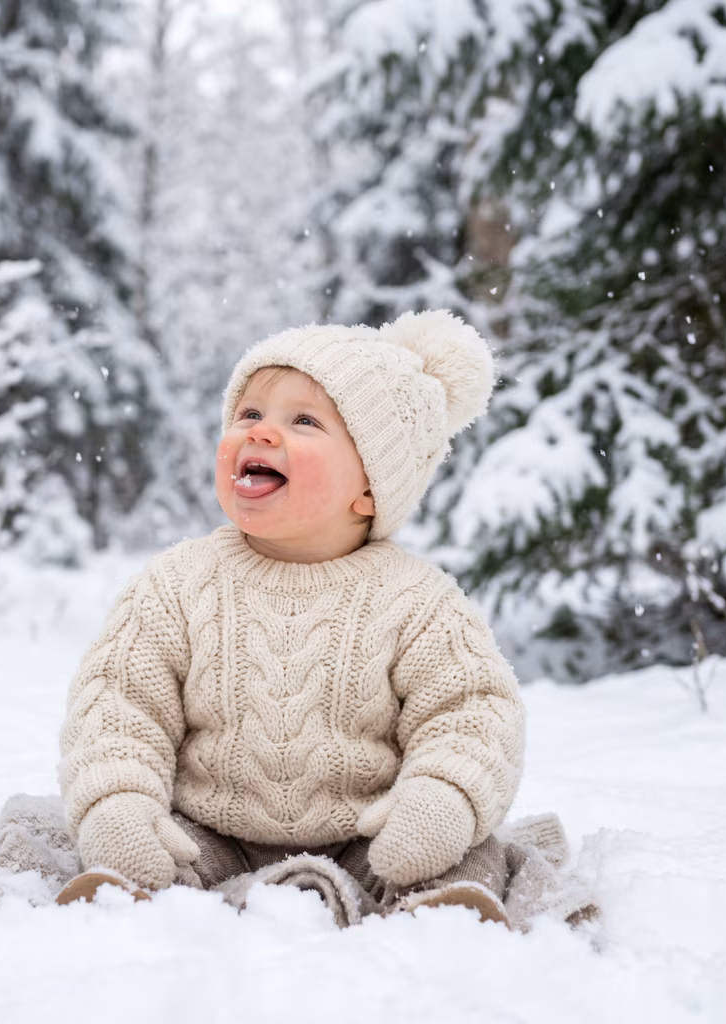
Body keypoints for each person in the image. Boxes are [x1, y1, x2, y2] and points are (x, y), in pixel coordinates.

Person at [52, 309, 530, 926]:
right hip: (208, 835)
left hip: (374, 842)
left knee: (471, 852)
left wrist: (442, 797)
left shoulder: (419, 601)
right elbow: (119, 702)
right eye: (249, 414)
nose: (261, 433)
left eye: (303, 421)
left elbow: (472, 710)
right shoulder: (176, 583)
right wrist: (118, 801)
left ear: (370, 488)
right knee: (144, 848)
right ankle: (124, 895)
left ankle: (442, 914)